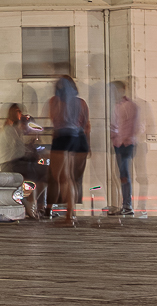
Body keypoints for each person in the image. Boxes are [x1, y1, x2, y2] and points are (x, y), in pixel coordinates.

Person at [46, 69, 89, 224]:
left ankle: (62, 212)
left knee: (61, 178)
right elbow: (86, 125)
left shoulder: (54, 101)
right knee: (72, 179)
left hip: (62, 137)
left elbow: (54, 119)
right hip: (80, 139)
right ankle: (71, 212)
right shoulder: (81, 103)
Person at [0, 103, 47, 219]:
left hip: (12, 163)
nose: (21, 115)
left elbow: (19, 150)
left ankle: (37, 204)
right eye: (19, 112)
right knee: (47, 172)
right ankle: (32, 202)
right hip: (12, 165)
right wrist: (33, 155)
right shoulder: (9, 130)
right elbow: (19, 152)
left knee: (43, 172)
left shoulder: (10, 130)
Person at [108, 80, 140, 217]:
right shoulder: (117, 106)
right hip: (119, 143)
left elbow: (135, 127)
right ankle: (126, 205)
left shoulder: (130, 106)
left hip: (125, 144)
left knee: (124, 175)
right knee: (122, 175)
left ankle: (127, 205)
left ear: (122, 90)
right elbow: (114, 125)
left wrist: (123, 139)